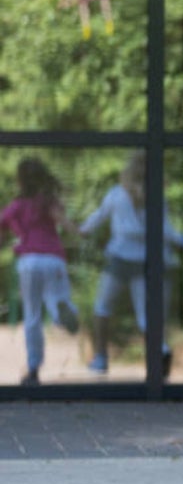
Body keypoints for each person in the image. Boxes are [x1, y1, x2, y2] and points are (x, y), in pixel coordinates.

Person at [79, 151, 183, 377]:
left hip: (120, 257)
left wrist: (78, 230)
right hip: (148, 259)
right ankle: (160, 352)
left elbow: (96, 219)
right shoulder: (157, 197)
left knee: (102, 307)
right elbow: (168, 231)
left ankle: (101, 358)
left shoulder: (116, 194)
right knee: (146, 316)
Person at [0, 157, 80, 385]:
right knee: (57, 299)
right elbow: (63, 222)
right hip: (53, 258)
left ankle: (33, 367)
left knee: (33, 315)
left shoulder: (16, 205)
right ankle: (60, 313)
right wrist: (79, 231)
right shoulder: (48, 200)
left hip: (28, 260)